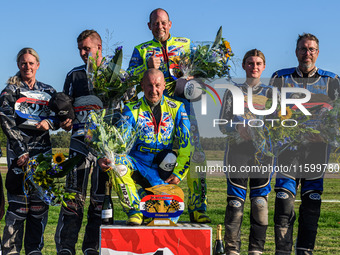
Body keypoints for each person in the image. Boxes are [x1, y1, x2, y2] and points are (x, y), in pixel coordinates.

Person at [127, 7, 211, 223]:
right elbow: (128, 80)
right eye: (155, 23)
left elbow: (203, 72)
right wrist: (144, 68)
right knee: (147, 153)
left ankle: (198, 207)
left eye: (163, 23)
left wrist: (195, 77)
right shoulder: (141, 49)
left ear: (170, 24)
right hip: (157, 108)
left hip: (185, 106)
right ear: (149, 26)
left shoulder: (186, 44)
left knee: (196, 154)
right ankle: (149, 198)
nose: (160, 27)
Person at [270, 33, 340, 255]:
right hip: (287, 151)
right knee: (283, 204)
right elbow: (268, 113)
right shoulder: (280, 77)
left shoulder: (332, 81)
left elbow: (338, 118)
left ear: (317, 53)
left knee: (311, 207)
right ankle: (282, 251)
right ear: (296, 51)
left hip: (317, 152)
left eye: (311, 49)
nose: (306, 53)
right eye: (303, 49)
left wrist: (328, 136)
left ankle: (304, 252)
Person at [98, 68, 191, 225]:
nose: (153, 91)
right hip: (137, 163)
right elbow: (121, 143)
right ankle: (135, 211)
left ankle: (145, 196)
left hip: (162, 168)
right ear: (142, 86)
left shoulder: (177, 108)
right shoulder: (131, 110)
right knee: (117, 164)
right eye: (149, 85)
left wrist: (179, 172)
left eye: (157, 85)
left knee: (170, 214)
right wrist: (107, 156)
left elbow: (186, 145)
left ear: (164, 86)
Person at [54, 30, 109, 255]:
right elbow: (64, 108)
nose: (83, 53)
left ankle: (92, 247)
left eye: (87, 48)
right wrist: (64, 120)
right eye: (80, 49)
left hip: (106, 145)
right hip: (78, 141)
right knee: (73, 196)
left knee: (99, 199)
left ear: (99, 48)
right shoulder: (73, 75)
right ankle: (66, 248)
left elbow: (124, 111)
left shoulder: (114, 74)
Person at [0, 47, 57, 254]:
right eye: (24, 63)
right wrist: (21, 150)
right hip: (19, 159)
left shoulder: (48, 91)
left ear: (38, 65)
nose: (27, 67)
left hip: (43, 158)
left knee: (38, 210)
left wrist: (50, 122)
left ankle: (35, 251)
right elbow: (6, 121)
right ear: (18, 65)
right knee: (17, 210)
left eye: (31, 63)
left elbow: (61, 114)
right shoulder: (10, 91)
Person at [219, 49, 274, 255]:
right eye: (250, 63)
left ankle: (256, 250)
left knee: (260, 203)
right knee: (235, 203)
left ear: (264, 66)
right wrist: (236, 128)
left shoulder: (271, 94)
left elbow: (279, 124)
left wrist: (262, 130)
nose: (254, 67)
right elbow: (222, 124)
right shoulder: (232, 91)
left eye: (258, 63)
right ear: (243, 65)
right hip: (237, 153)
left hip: (263, 155)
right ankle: (232, 249)